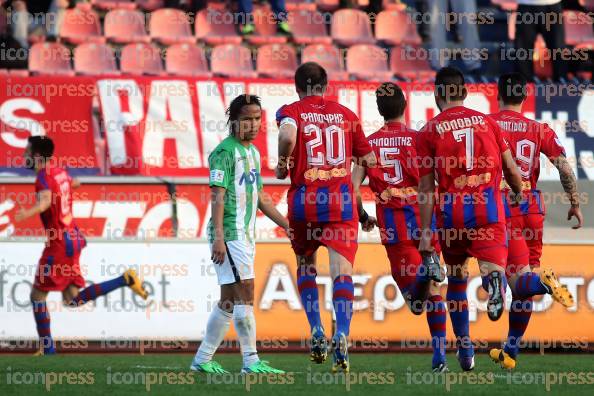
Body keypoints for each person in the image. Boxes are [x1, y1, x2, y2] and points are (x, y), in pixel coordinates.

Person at [416, 66, 524, 371]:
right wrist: (517, 191)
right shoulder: (490, 123)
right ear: (465, 93)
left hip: (451, 213)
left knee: (457, 278)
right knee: (492, 265)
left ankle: (464, 349)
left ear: (438, 94)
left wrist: (427, 233)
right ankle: (494, 281)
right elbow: (513, 171)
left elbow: (426, 188)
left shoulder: (428, 131)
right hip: (487, 209)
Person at [275, 62, 377, 373]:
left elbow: (288, 136)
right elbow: (369, 159)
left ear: (297, 87)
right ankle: (342, 333)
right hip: (339, 203)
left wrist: (282, 163)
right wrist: (353, 190)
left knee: (306, 264)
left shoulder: (291, 110)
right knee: (341, 273)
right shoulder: (347, 115)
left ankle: (316, 328)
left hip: (304, 200)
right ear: (326, 84)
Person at [14, 135, 149, 356]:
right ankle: (125, 279)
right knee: (72, 299)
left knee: (37, 296)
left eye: (27, 152)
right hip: (73, 238)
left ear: (37, 156)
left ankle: (48, 350)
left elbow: (46, 200)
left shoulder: (43, 177)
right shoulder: (58, 171)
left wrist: (25, 213)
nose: (24, 156)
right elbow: (75, 182)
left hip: (58, 244)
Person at [352, 82, 448, 372]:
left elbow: (353, 187)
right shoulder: (420, 139)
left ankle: (424, 274)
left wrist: (362, 216)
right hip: (426, 221)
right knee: (434, 293)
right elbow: (437, 180)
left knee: (415, 302)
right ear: (405, 107)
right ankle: (441, 355)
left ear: (379, 111)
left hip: (394, 226)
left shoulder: (367, 145)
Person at [190, 94, 288, 374]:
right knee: (246, 293)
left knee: (229, 300)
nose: (253, 124)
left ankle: (202, 360)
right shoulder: (224, 152)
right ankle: (251, 361)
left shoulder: (254, 154)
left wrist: (286, 224)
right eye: (247, 119)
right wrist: (219, 237)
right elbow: (217, 196)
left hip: (245, 235)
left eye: (257, 118)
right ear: (233, 121)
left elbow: (260, 197)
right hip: (230, 234)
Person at [488, 72, 580, 369]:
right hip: (533, 209)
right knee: (523, 283)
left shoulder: (487, 125)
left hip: (502, 208)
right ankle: (511, 351)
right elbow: (565, 169)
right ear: (525, 97)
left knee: (513, 276)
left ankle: (543, 283)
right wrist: (575, 203)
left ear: (497, 94)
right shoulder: (539, 129)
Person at [514, 0, 567, 81]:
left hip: (552, 4)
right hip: (526, 5)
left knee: (557, 47)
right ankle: (524, 84)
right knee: (523, 49)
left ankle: (561, 83)